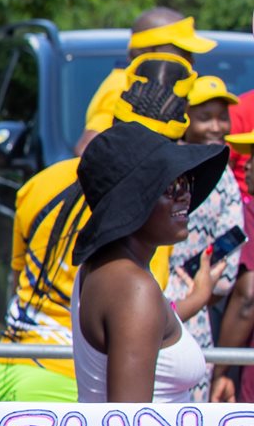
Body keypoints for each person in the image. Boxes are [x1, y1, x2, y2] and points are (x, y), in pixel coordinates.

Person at [0, 55, 194, 405]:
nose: (180, 189)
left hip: (15, 366)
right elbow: (139, 317)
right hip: (78, 384)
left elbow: (18, 278)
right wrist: (200, 297)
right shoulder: (150, 211)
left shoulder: (42, 182)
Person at [71, 121, 226, 404]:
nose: (186, 195)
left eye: (186, 182)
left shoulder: (109, 270)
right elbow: (129, 422)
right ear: (133, 202)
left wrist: (198, 298)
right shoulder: (132, 286)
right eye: (171, 187)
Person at [165, 74, 242, 363]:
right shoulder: (223, 175)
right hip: (193, 320)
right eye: (205, 117)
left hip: (147, 304)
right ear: (185, 119)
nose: (217, 127)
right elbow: (225, 276)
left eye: (222, 117)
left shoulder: (158, 164)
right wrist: (202, 292)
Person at [77, 8, 213, 152]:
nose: (191, 61)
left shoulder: (141, 84)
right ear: (151, 52)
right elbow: (87, 148)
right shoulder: (124, 87)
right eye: (183, 52)